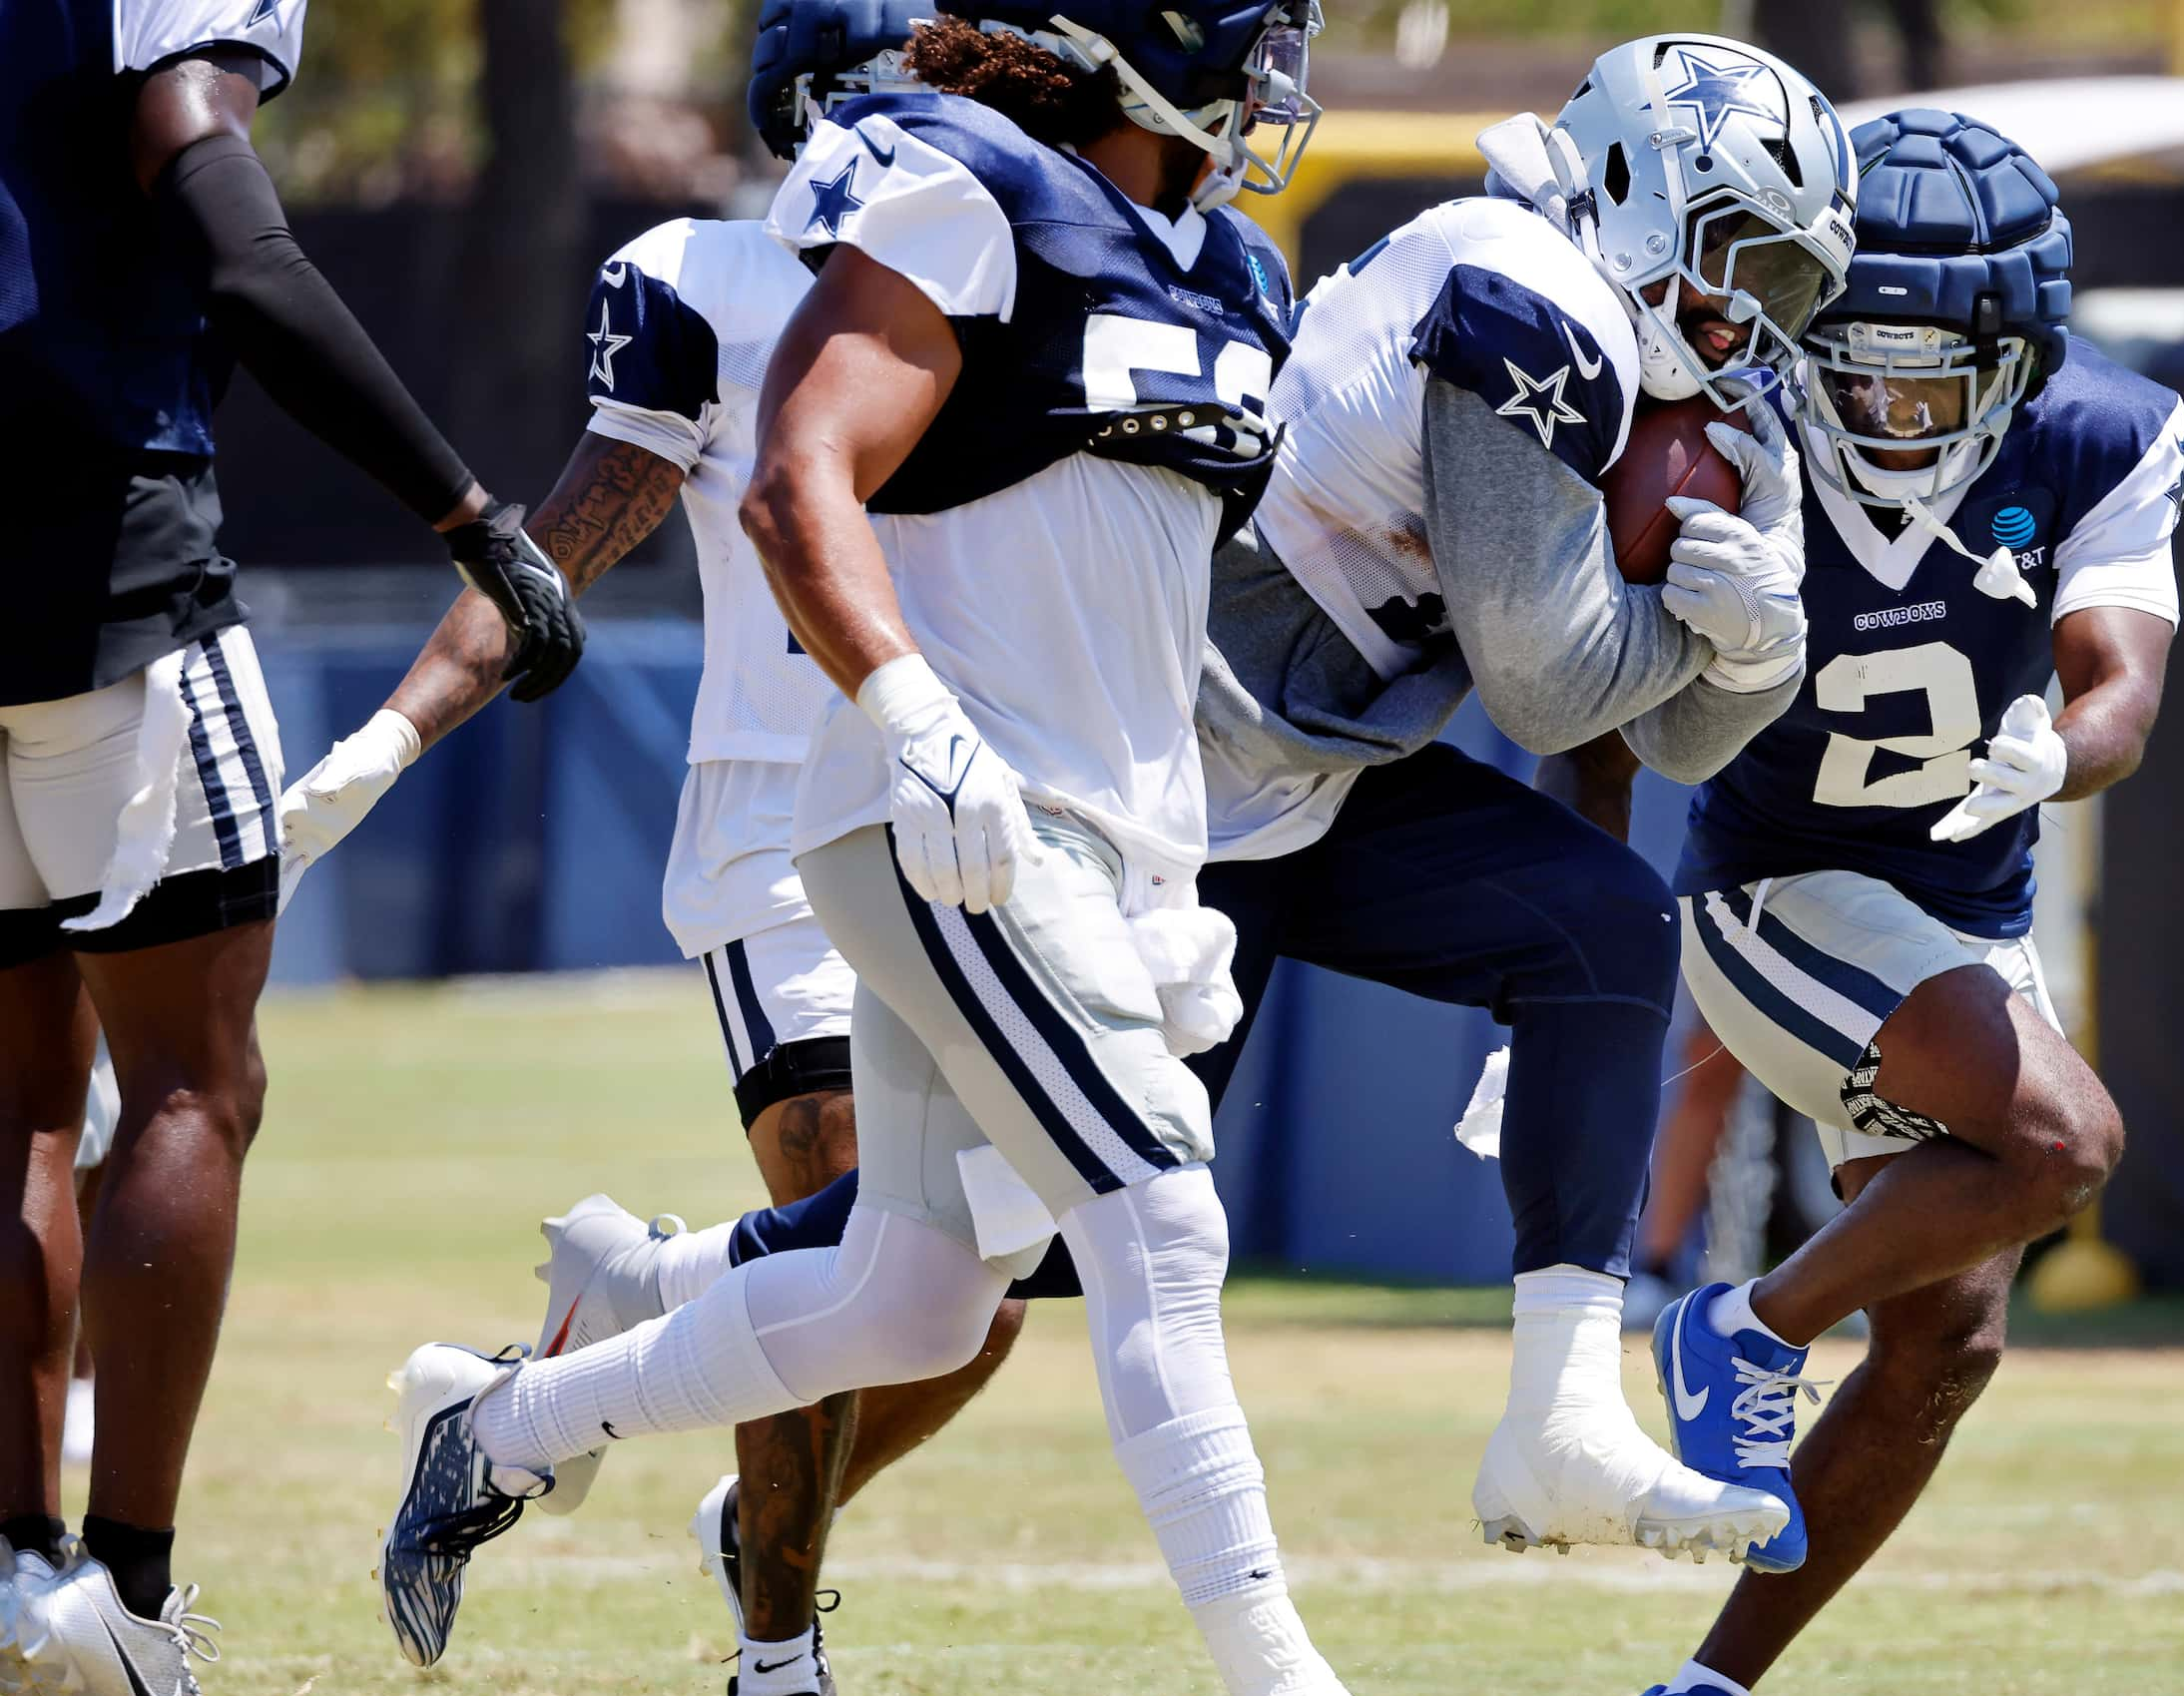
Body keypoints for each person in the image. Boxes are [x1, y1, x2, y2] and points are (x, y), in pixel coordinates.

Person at [372, 7, 1527, 1696]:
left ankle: (507, 1427)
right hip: (940, 807)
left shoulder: (1226, 258)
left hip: (1108, 825)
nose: (1278, 72)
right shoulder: (962, 185)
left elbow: (1161, 591)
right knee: (1157, 1217)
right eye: (1260, 32)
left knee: (916, 1290)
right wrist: (915, 720)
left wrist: (1182, 861)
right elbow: (789, 479)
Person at [533, 30, 1856, 1570]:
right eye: (1743, 258)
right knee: (1017, 1244)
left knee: (1606, 930)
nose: (1752, 314)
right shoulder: (1527, 287)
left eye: (1791, 287)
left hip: (1307, 770)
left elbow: (1680, 739)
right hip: (1173, 769)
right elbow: (1555, 688)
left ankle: (1557, 1420)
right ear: (1637, 188)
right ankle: (620, 1313)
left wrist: (1765, 638)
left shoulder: (1615, 343)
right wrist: (1728, 622)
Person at [277, 1, 1043, 1696]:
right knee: (855, 1243)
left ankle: (630, 1321)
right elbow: (567, 533)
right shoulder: (701, 275)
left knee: (968, 1296)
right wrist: (385, 737)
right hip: (784, 822)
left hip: (968, 813)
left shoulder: (1037, 261)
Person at [0, 0, 580, 1696]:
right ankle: (137, 1590)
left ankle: (25, 1567)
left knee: (16, 1089)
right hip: (102, 544)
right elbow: (237, 245)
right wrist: (470, 511)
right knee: (190, 1078)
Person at [1590, 110, 2184, 1696]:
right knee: (2064, 1144)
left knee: (1945, 1337)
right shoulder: (1715, 426)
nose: (1883, 407)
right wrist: (1567, 956)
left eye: (1933, 375)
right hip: (1777, 889)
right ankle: (1744, 1320)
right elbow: (1597, 704)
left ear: (2017, 352)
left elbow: (2123, 694)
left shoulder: (2102, 432)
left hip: (1960, 910)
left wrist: (2054, 755)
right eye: (1850, 360)